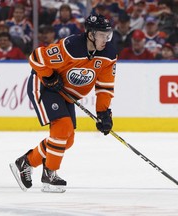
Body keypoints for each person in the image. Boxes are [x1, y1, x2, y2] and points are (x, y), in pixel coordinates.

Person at [10, 14, 117, 193]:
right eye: (101, 34)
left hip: (65, 94)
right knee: (62, 129)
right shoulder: (71, 47)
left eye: (108, 34)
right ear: (90, 34)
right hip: (44, 85)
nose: (106, 38)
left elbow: (104, 87)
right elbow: (36, 58)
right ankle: (50, 175)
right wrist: (49, 76)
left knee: (67, 140)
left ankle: (26, 162)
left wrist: (104, 113)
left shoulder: (108, 54)